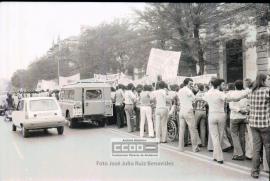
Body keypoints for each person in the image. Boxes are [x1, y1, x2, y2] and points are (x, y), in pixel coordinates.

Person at [203, 78, 247, 164]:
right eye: (222, 85)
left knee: (215, 137)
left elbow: (205, 100)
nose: (224, 86)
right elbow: (232, 99)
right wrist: (244, 95)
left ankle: (217, 156)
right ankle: (218, 156)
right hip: (221, 115)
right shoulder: (220, 93)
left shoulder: (208, 93)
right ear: (218, 85)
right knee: (220, 136)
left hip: (212, 115)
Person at [247, 73, 270, 179]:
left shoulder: (252, 91)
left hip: (253, 123)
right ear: (264, 80)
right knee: (268, 147)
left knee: (256, 148)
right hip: (265, 123)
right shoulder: (267, 90)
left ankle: (255, 171)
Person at [177, 78, 200, 152]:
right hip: (188, 110)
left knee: (181, 129)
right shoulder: (188, 90)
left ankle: (180, 147)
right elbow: (194, 99)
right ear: (187, 83)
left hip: (182, 110)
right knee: (192, 129)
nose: (191, 85)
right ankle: (195, 147)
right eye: (190, 84)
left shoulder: (180, 90)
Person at [227, 80, 248, 161]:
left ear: (235, 86)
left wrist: (239, 110)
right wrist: (244, 111)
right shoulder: (245, 93)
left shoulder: (232, 94)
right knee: (242, 136)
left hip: (235, 117)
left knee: (234, 136)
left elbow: (231, 106)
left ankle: (239, 154)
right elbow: (247, 104)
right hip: (243, 117)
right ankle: (242, 152)